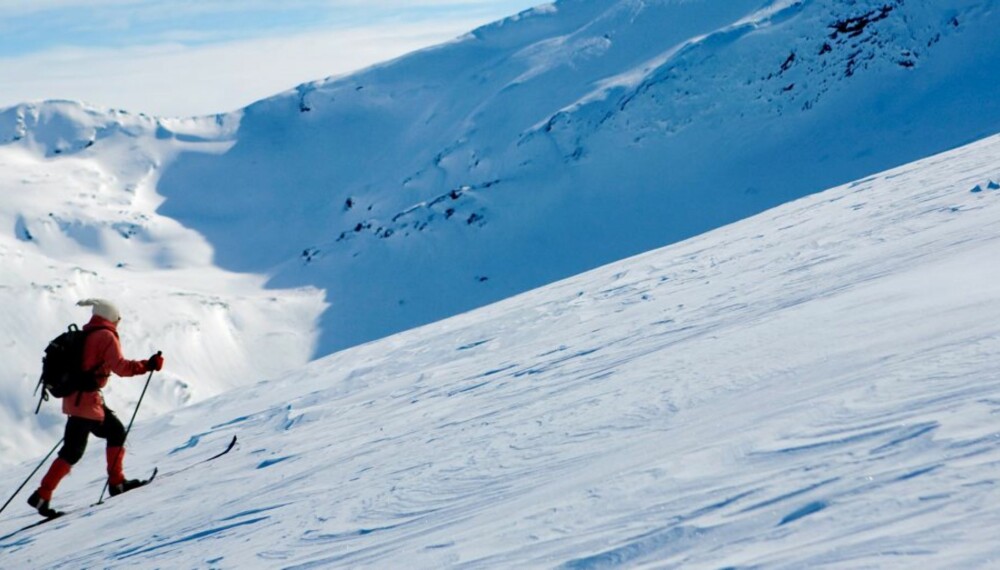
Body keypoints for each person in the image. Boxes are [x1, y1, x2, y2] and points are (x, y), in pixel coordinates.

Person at [27, 299, 165, 517]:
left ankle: (44, 495)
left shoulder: (87, 334)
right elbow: (121, 367)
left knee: (102, 437)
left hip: (77, 399)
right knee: (77, 450)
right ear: (111, 316)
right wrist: (147, 365)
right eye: (117, 317)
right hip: (87, 402)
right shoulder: (106, 336)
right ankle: (112, 483)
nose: (118, 321)